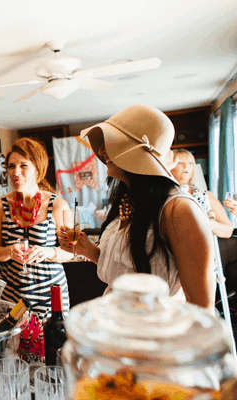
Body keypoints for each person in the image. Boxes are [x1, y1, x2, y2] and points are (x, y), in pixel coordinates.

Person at [58, 105, 216, 310]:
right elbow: (129, 273)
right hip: (115, 326)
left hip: (155, 334)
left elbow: (202, 307)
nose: (101, 150)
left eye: (113, 143)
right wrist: (90, 251)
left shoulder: (179, 210)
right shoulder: (127, 200)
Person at [0, 137, 73, 318]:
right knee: (12, 344)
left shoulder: (58, 205)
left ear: (38, 168)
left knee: (51, 343)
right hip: (12, 293)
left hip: (51, 294)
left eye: (23, 165)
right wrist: (9, 251)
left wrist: (49, 252)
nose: (16, 172)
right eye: (11, 166)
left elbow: (71, 252)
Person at [170, 149, 233, 238]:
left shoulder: (205, 195)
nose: (186, 166)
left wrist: (210, 223)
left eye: (190, 163)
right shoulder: (164, 195)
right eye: (180, 162)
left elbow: (228, 230)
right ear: (170, 167)